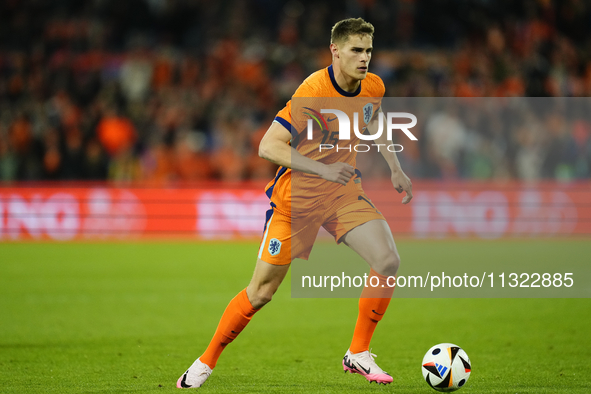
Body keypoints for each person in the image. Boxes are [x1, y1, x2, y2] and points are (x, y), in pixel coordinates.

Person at [177, 17, 413, 389]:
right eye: (356, 50)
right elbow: (268, 146)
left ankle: (358, 353)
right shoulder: (313, 91)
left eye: (368, 50)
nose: (364, 57)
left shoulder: (373, 85)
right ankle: (206, 361)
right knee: (261, 293)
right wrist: (321, 169)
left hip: (341, 193)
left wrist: (395, 167)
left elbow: (374, 120)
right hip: (297, 200)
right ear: (334, 51)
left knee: (387, 260)